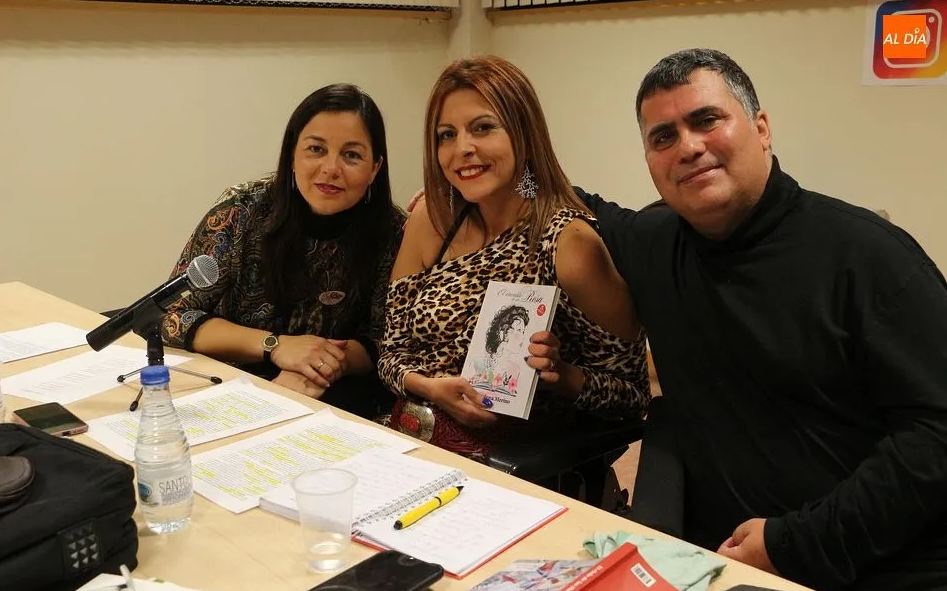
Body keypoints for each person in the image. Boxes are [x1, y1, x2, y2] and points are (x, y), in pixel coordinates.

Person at [572, 48, 947, 591]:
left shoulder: (868, 257)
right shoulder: (655, 240)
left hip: (886, 583)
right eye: (663, 136)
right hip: (724, 571)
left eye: (706, 120)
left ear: (762, 128)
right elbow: (563, 200)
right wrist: (478, 180)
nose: (688, 146)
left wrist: (793, 544)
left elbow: (936, 438)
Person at [377, 55, 650, 464]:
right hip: (403, 439)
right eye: (446, 135)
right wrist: (429, 387)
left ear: (523, 134)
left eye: (483, 128)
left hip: (500, 466)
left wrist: (561, 375)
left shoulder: (568, 242)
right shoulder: (430, 218)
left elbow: (631, 398)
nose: (462, 149)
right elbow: (389, 355)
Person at [161, 83, 405, 419]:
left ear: (375, 168)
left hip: (330, 401)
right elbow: (172, 317)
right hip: (225, 390)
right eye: (316, 149)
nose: (331, 168)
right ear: (292, 154)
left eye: (351, 155)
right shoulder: (240, 212)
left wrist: (316, 364)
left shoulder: (393, 231)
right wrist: (277, 347)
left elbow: (384, 341)